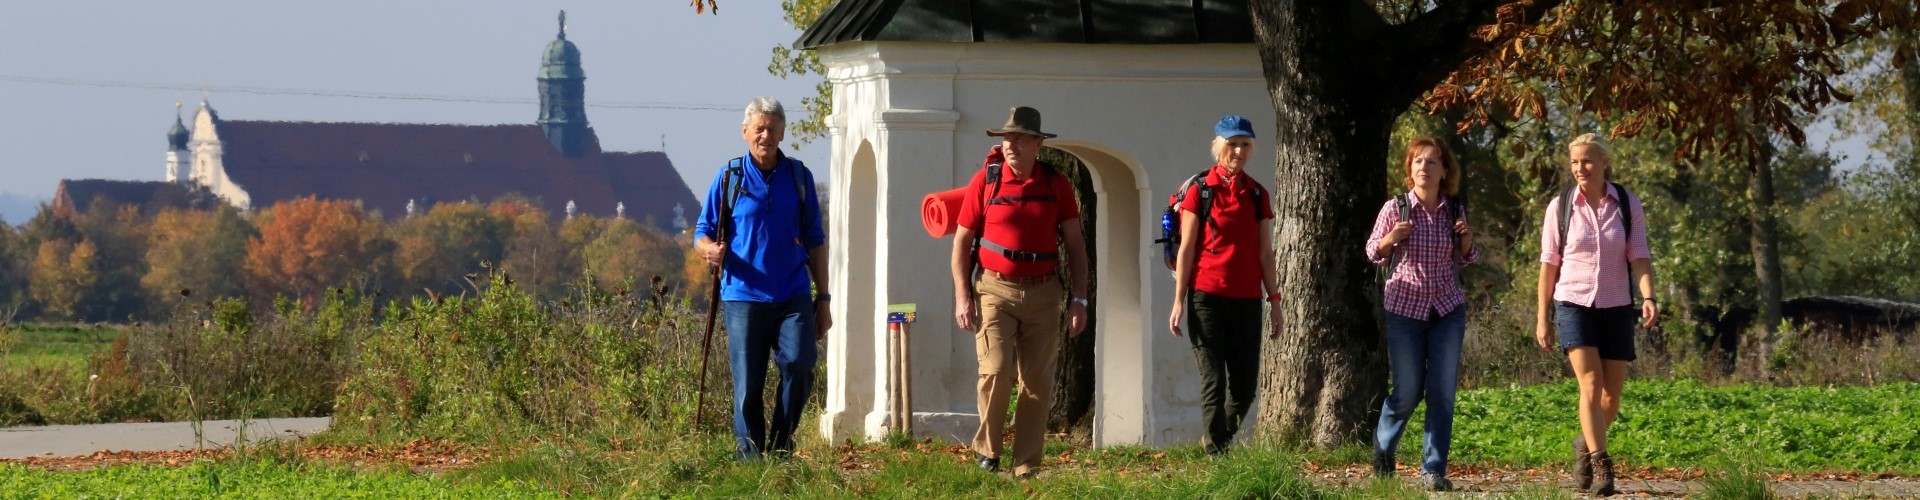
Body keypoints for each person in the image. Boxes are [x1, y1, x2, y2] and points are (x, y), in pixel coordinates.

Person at [949, 106, 1089, 479]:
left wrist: (1080, 298)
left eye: (1019, 138)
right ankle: (988, 452)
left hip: (1044, 292)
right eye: (1006, 138)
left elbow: (1075, 245)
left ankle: (1026, 463)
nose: (1010, 144)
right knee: (996, 370)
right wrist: (963, 295)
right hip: (994, 288)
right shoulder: (986, 181)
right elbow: (962, 243)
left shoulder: (1056, 183)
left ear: (1038, 143)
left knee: (1037, 381)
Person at [694, 97, 832, 461]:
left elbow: (816, 241)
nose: (766, 135)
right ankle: (751, 456)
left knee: (802, 364)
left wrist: (825, 298)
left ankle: (782, 443)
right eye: (759, 128)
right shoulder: (729, 177)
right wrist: (709, 251)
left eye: (772, 128)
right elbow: (701, 232)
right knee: (748, 383)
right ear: (745, 133)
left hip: (793, 294)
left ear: (783, 132)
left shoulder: (799, 178)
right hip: (743, 295)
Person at [1535, 132, 1656, 496]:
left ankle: (1583, 445)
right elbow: (1548, 266)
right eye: (1574, 162)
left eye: (1587, 160)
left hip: (1618, 304)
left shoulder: (1626, 203)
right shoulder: (1560, 207)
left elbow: (1639, 254)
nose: (1580, 168)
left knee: (1611, 396)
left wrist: (1648, 296)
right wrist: (1543, 317)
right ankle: (1602, 464)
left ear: (1605, 162)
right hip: (1573, 303)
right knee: (1590, 383)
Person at [1364, 136, 1477, 491]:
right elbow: (1372, 251)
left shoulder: (1454, 209)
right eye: (1417, 162)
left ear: (1445, 171)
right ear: (1409, 171)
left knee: (1442, 393)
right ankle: (1384, 448)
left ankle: (1433, 469)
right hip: (1405, 310)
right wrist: (1391, 239)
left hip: (1447, 310)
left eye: (1431, 162)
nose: (1424, 168)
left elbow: (1468, 258)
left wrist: (1467, 240)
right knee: (1408, 391)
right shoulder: (1396, 208)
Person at [1167, 114, 1283, 457]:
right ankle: (1216, 455)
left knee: (1245, 389)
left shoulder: (1257, 194)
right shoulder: (1200, 192)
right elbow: (1187, 248)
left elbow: (1265, 252)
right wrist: (1178, 301)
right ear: (1219, 147)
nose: (1238, 151)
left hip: (1247, 299)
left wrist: (1274, 301)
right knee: (1214, 381)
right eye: (1232, 144)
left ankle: (1218, 439)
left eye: (1244, 144)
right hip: (1206, 297)